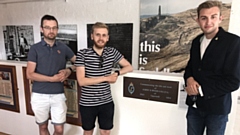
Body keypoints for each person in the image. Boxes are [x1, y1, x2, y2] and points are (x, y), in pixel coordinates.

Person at [184, 1, 240, 135]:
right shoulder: (196, 41)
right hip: (194, 107)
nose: (208, 22)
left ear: (221, 18)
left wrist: (200, 90)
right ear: (198, 20)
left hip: (217, 110)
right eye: (204, 18)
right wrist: (189, 79)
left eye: (213, 17)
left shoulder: (233, 42)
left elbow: (233, 81)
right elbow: (190, 68)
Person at [75, 22, 133, 135]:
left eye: (104, 35)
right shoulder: (82, 54)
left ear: (107, 38)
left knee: (106, 131)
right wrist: (106, 78)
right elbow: (82, 81)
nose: (101, 38)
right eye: (98, 35)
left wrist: (116, 73)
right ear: (92, 36)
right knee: (88, 132)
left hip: (106, 102)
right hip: (87, 103)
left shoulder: (112, 52)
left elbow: (129, 67)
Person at [26, 14, 76, 135]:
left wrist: (69, 70)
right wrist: (51, 79)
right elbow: (30, 74)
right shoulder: (35, 49)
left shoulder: (64, 48)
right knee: (43, 127)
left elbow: (79, 63)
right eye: (47, 27)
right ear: (41, 29)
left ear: (57, 29)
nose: (51, 31)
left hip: (58, 95)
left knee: (59, 130)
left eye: (54, 28)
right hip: (39, 95)